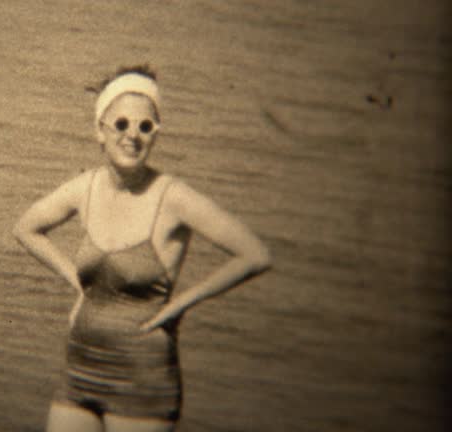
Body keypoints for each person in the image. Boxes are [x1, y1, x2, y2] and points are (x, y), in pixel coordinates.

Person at [13, 65, 271, 432]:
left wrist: (181, 304)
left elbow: (255, 254)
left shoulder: (174, 198)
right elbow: (25, 228)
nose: (132, 135)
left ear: (155, 134)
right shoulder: (83, 189)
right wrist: (77, 284)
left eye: (145, 126)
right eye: (121, 124)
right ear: (99, 131)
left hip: (142, 381)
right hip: (79, 370)